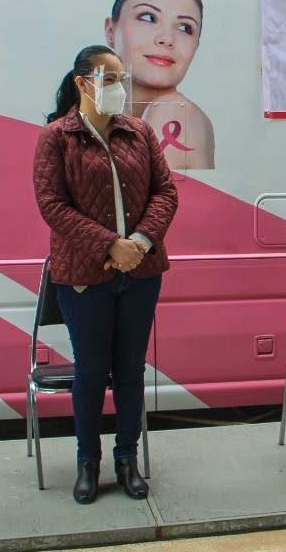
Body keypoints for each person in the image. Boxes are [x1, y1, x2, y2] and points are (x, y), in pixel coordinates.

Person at [33, 45, 178, 503]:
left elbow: (165, 192)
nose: (118, 88)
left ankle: (127, 458)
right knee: (92, 371)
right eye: (108, 79)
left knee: (131, 370)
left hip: (141, 270)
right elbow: (52, 205)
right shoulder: (57, 137)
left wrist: (139, 243)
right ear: (82, 83)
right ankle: (88, 462)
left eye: (121, 79)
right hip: (84, 275)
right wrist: (109, 245)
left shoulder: (139, 132)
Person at [105, 0, 215, 169]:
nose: (166, 38)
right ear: (110, 31)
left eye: (185, 27)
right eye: (149, 17)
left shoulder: (173, 111)